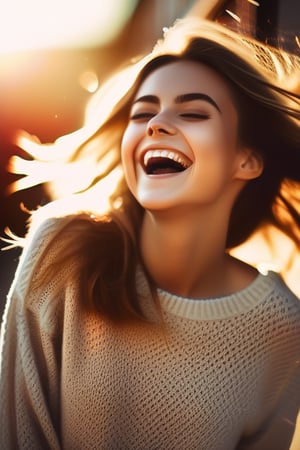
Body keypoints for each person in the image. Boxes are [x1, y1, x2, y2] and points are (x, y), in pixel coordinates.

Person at [0, 17, 300, 450]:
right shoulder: (63, 251)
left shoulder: (284, 325)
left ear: (247, 159)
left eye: (193, 112)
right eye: (143, 113)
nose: (156, 125)